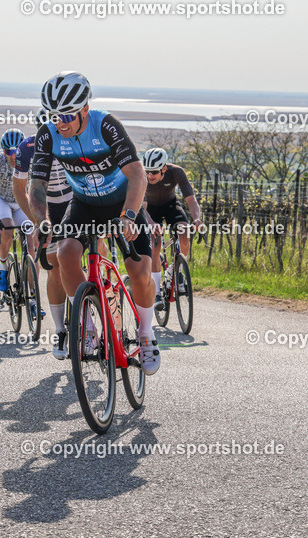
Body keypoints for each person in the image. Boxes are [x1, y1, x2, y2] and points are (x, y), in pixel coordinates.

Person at [29, 71, 160, 375]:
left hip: (121, 203)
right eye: (54, 116)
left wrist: (129, 216)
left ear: (85, 109)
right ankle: (86, 328)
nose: (60, 123)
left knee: (139, 272)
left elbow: (137, 174)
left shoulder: (105, 125)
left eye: (67, 116)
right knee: (65, 254)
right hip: (84, 204)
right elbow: (37, 184)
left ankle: (146, 333)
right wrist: (42, 222)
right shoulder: (48, 135)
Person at [16, 128, 72, 358]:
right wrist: (38, 221)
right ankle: (60, 331)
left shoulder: (76, 139)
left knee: (97, 247)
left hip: (76, 201)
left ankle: (98, 304)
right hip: (47, 208)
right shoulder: (26, 149)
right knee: (53, 264)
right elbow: (19, 189)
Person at [141, 147, 204, 310]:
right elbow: (142, 206)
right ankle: (156, 292)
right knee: (155, 242)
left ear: (163, 168)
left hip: (170, 205)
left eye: (154, 172)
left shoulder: (176, 172)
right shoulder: (141, 175)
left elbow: (191, 199)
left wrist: (197, 219)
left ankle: (176, 270)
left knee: (185, 232)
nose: (150, 175)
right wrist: (151, 223)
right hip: (150, 210)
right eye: (148, 171)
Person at [0, 128, 33, 293]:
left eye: (16, 151)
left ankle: (32, 293)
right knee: (7, 230)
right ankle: (3, 267)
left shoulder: (31, 161)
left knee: (31, 240)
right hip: (2, 199)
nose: (13, 156)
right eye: (8, 152)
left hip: (21, 201)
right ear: (3, 151)